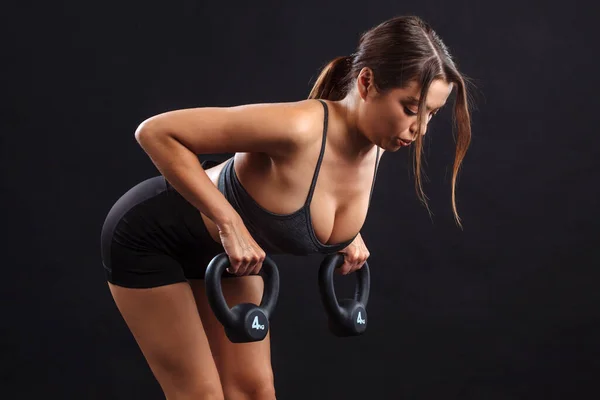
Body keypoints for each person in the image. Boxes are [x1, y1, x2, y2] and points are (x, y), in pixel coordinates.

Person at [100, 15, 472, 400]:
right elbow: (157, 132)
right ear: (366, 82)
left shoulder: (381, 140)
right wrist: (229, 222)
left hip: (226, 258)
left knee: (255, 391)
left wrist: (343, 233)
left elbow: (307, 188)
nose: (421, 128)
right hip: (151, 237)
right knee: (200, 395)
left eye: (431, 113)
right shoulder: (299, 127)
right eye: (411, 108)